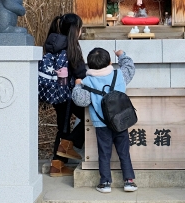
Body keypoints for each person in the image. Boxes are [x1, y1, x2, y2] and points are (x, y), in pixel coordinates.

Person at [72, 47, 138, 193]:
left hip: (101, 124)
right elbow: (130, 67)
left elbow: (80, 100)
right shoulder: (119, 75)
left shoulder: (87, 81)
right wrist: (122, 55)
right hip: (121, 121)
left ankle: (105, 182)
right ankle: (129, 181)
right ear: (109, 62)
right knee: (124, 152)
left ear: (89, 65)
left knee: (104, 152)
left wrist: (77, 86)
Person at [43, 14, 87, 177]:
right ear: (76, 30)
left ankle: (57, 166)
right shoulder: (71, 46)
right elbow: (80, 73)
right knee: (92, 116)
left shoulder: (53, 42)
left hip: (55, 91)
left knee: (63, 126)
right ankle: (69, 143)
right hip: (69, 94)